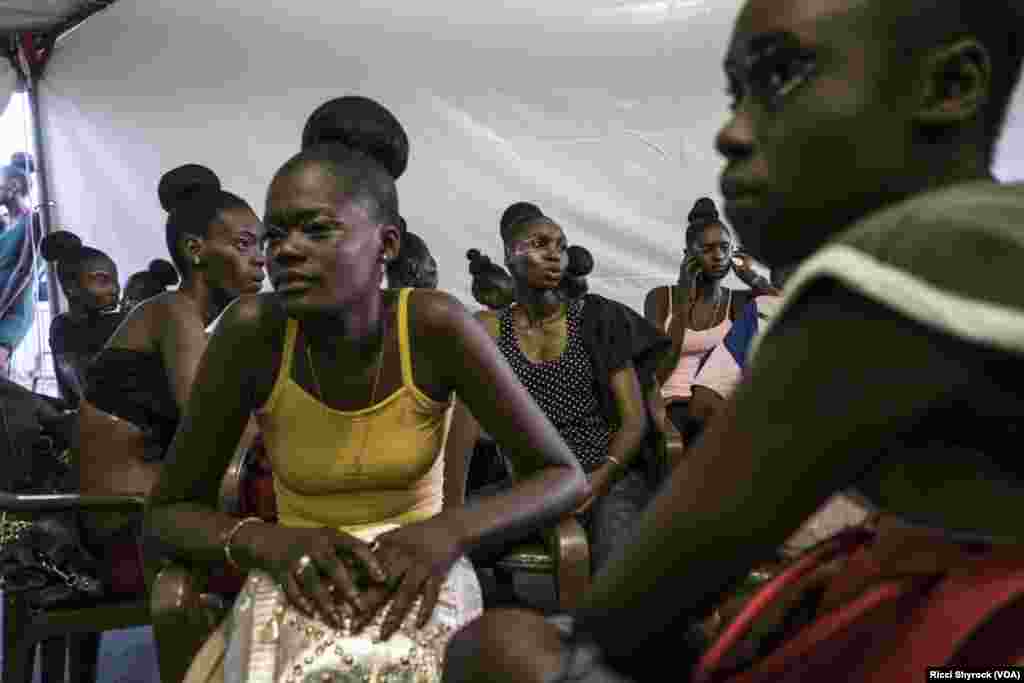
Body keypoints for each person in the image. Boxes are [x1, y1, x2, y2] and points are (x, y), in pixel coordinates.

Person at [443, 0, 1024, 680]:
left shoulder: (896, 265)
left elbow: (636, 600)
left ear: (948, 87)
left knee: (503, 650)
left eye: (781, 75)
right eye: (735, 90)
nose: (730, 132)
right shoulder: (989, 241)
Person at [144, 95, 588, 683]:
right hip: (296, 564)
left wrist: (449, 530)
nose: (286, 251)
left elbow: (563, 475)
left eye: (317, 229)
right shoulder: (251, 333)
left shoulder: (434, 324)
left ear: (388, 244)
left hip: (422, 557)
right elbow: (169, 511)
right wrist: (266, 543)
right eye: (274, 235)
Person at [73, 164, 265, 597]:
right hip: (129, 533)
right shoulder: (172, 312)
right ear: (196, 250)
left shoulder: (186, 320)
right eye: (243, 245)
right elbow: (217, 427)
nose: (261, 259)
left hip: (138, 520)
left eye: (262, 246)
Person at [449, 201, 669, 576]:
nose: (554, 254)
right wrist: (449, 505)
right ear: (509, 257)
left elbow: (634, 421)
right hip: (531, 481)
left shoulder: (598, 318)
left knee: (622, 567)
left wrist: (597, 483)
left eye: (560, 245)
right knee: (449, 545)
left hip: (603, 473)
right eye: (539, 244)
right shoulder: (489, 328)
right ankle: (504, 612)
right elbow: (464, 422)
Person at [644, 197, 772, 441]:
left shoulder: (738, 301)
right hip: (670, 405)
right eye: (707, 249)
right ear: (687, 255)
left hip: (716, 405)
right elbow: (656, 370)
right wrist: (683, 300)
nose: (718, 256)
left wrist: (753, 278)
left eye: (725, 247)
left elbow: (783, 309)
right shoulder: (661, 298)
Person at [41, 231, 125, 407]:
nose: (115, 289)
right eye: (102, 280)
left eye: (115, 280)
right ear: (71, 287)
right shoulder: (61, 328)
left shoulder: (125, 322)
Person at [0, 153, 38, 377]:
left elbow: (23, 274)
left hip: (12, 311)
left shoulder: (32, 220)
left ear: (13, 186)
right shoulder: (5, 226)